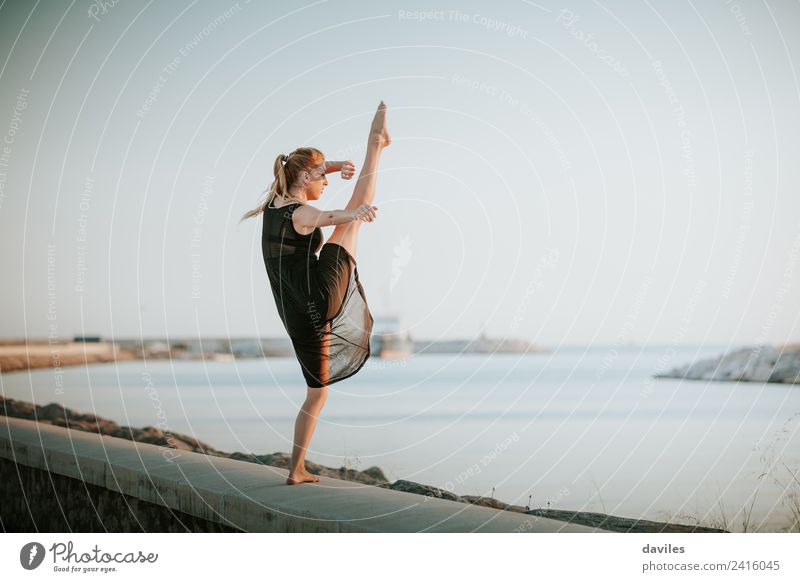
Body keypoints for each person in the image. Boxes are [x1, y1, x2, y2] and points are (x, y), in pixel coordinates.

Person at [240, 101, 391, 485]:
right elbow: (324, 217)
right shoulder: (300, 213)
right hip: (319, 296)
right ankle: (376, 145)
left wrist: (334, 166)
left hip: (297, 315)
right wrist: (353, 216)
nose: (324, 183)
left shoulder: (275, 204)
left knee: (316, 394)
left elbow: (310, 180)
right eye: (320, 177)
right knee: (352, 215)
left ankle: (296, 469)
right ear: (304, 177)